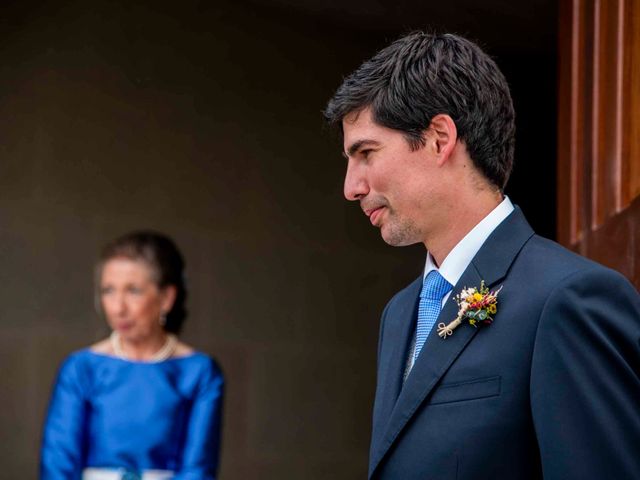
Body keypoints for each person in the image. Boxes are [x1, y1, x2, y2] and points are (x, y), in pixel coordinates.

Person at [324, 32, 640, 479]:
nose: (351, 187)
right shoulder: (398, 315)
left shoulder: (569, 299)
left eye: (366, 153)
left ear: (439, 138)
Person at [41, 231, 224, 480]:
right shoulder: (82, 368)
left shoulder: (198, 372)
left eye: (133, 290)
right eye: (108, 290)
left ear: (166, 298)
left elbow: (198, 469)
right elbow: (58, 466)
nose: (118, 308)